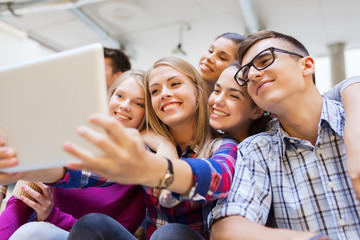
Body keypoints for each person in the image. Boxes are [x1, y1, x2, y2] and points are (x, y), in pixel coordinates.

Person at [46, 56, 238, 240]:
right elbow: (81, 171)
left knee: (171, 234)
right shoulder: (146, 148)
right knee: (92, 224)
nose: (164, 93)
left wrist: (163, 170)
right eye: (155, 91)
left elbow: (219, 180)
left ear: (198, 90)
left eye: (174, 84)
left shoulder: (222, 145)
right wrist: (23, 167)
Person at [209, 30, 360, 240]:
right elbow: (227, 225)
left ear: (306, 66)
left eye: (264, 60)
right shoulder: (256, 151)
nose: (252, 74)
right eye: (246, 75)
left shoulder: (353, 118)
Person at [4, 70, 147, 240]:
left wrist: (52, 216)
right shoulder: (72, 138)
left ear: (147, 115)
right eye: (120, 96)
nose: (124, 105)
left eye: (138, 103)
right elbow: (20, 205)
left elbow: (110, 233)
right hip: (37, 229)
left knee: (35, 232)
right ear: (109, 98)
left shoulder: (142, 167)